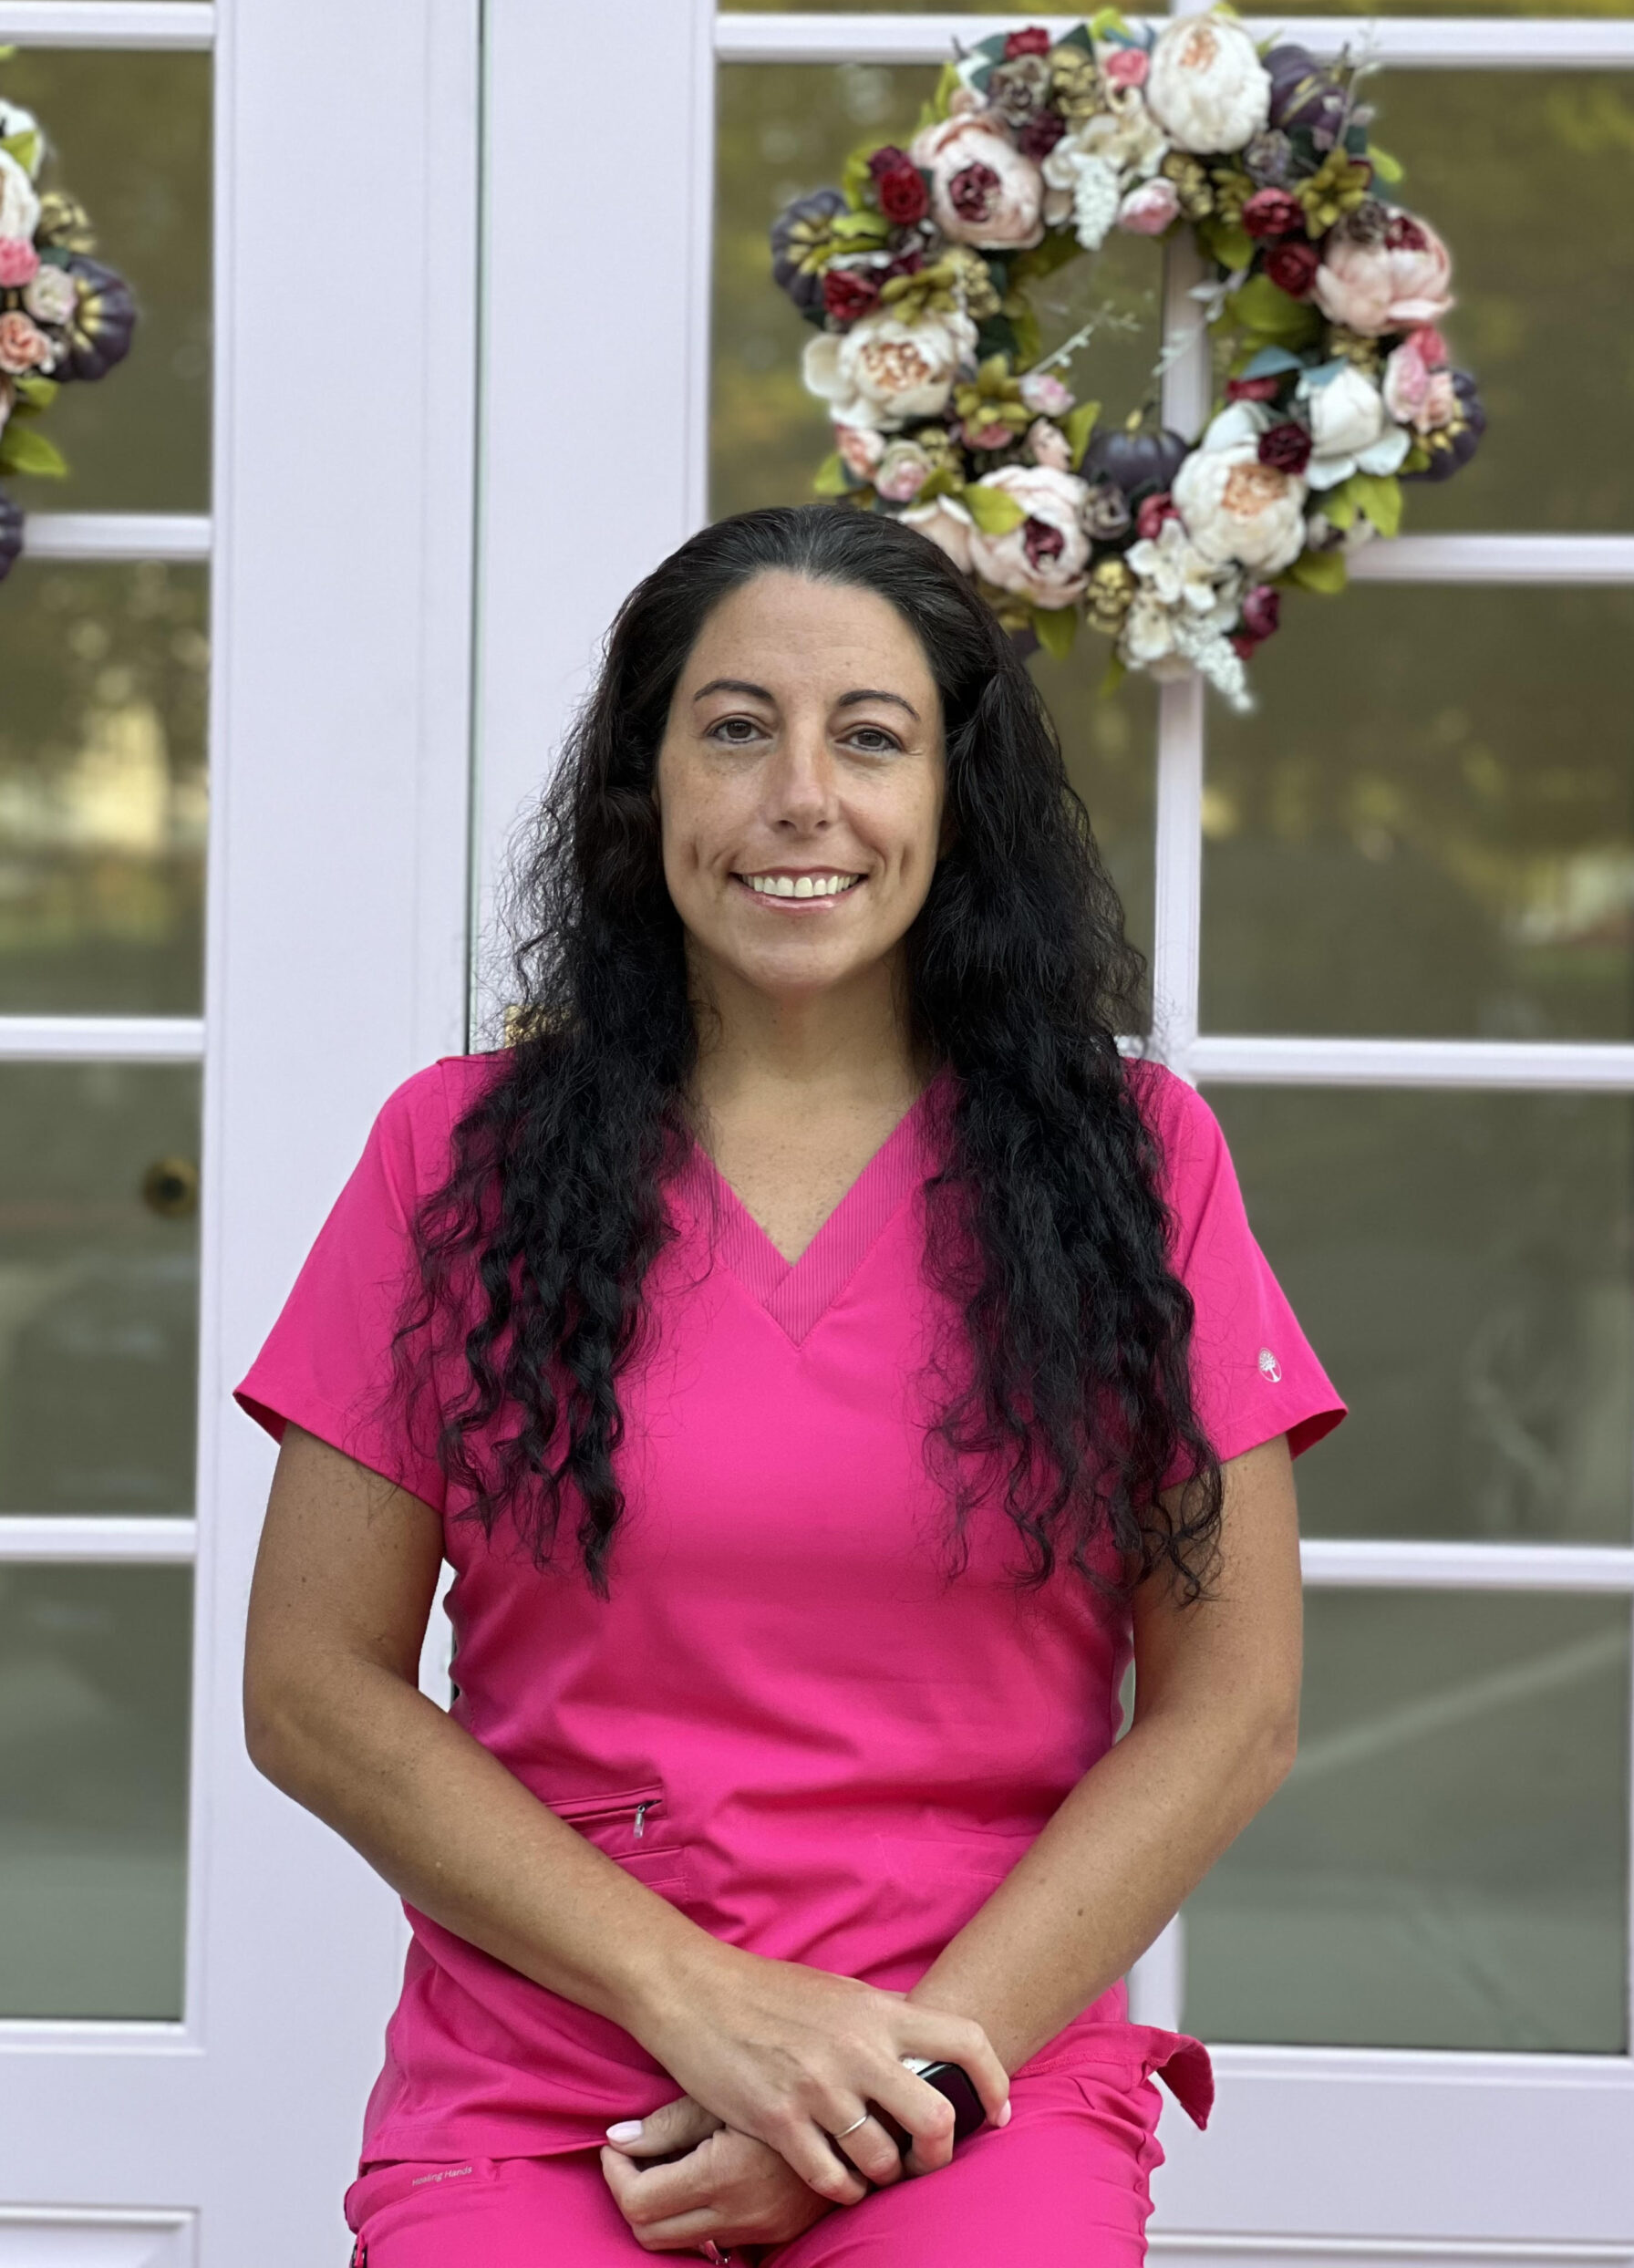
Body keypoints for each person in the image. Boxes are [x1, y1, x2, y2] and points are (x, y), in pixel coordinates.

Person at [238, 502, 1344, 2265]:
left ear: (955, 802)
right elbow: (309, 1685)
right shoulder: (453, 1157)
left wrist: (888, 2096)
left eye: (872, 739)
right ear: (645, 784)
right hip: (558, 2077)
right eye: (736, 729)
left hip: (980, 2052)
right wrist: (706, 2010)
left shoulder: (1139, 1165)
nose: (799, 800)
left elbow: (1233, 1713)